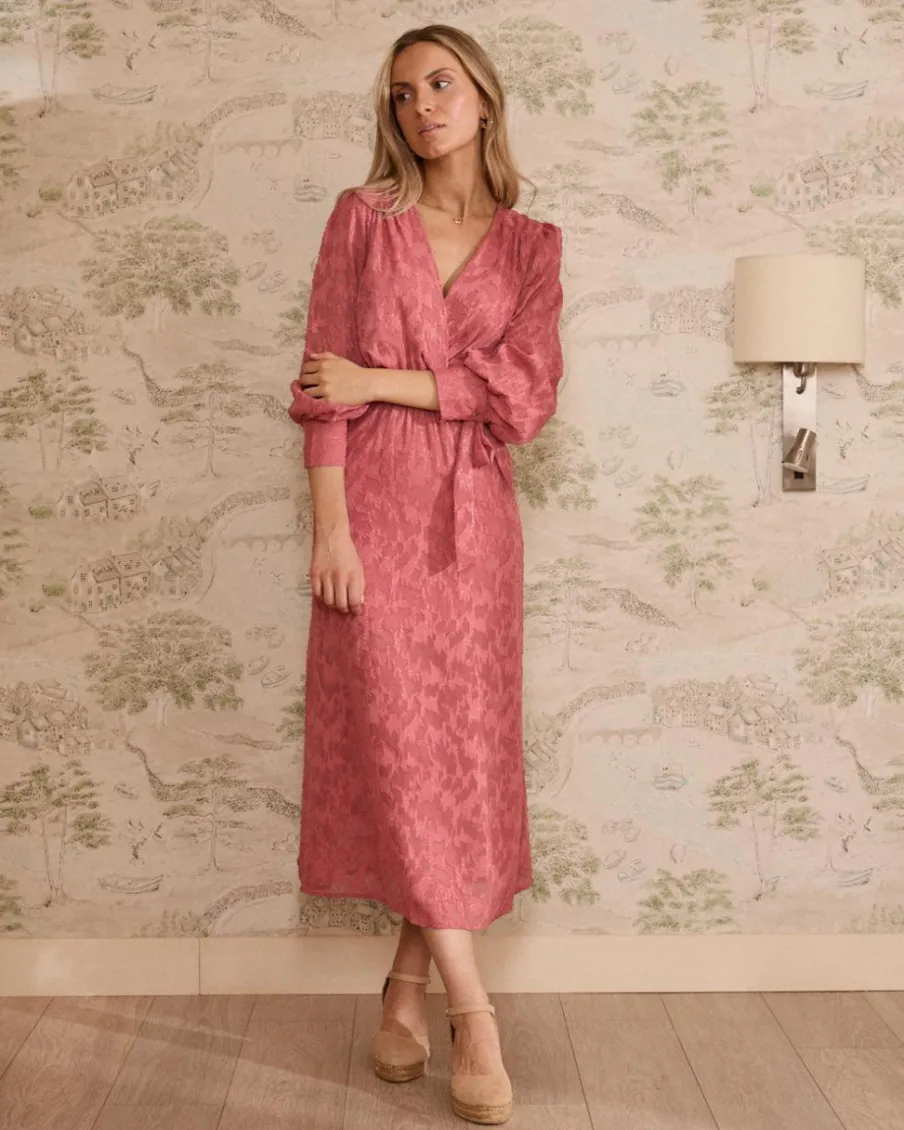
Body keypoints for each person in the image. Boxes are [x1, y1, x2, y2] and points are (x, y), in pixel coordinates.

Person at [287, 23, 563, 1127]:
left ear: (484, 97)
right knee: (402, 751)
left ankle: (402, 989)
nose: (422, 107)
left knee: (451, 758)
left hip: (477, 527)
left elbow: (525, 397)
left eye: (441, 84)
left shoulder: (532, 245)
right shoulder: (363, 219)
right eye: (402, 93)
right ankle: (471, 1010)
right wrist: (332, 532)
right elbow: (320, 386)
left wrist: (384, 378)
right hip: (375, 517)